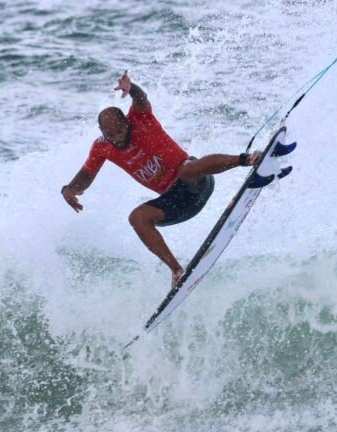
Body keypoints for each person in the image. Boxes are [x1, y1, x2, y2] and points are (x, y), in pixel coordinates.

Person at [61, 71, 264, 288]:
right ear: (103, 133)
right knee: (137, 218)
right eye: (112, 135)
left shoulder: (140, 118)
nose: (119, 137)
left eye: (121, 130)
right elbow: (87, 174)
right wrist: (69, 189)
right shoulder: (102, 147)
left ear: (127, 122)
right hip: (178, 204)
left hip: (197, 182)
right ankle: (177, 270)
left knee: (186, 169)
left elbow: (141, 99)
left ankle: (248, 159)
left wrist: (132, 89)